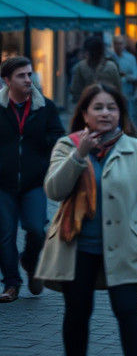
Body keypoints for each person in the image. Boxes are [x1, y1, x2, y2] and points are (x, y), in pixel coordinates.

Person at [35, 83, 137, 356]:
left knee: (129, 311)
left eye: (112, 107)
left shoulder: (134, 148)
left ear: (120, 112)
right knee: (77, 314)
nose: (105, 113)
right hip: (77, 247)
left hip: (125, 246)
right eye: (98, 108)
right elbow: (53, 190)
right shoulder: (67, 145)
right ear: (84, 113)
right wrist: (79, 155)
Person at [0, 56, 64, 302]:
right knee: (5, 234)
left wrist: (41, 148)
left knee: (37, 229)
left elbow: (58, 137)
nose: (28, 80)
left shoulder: (44, 106)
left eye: (29, 74)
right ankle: (11, 284)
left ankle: (30, 261)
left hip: (34, 182)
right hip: (3, 183)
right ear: (7, 81)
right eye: (22, 76)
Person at [70, 36, 121, 103]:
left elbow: (75, 90)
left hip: (88, 104)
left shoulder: (80, 67)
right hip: (107, 103)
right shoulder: (111, 66)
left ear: (87, 52)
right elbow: (118, 88)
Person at [112, 34, 137, 132]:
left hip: (127, 92)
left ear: (124, 45)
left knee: (129, 116)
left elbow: (135, 76)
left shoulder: (130, 58)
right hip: (113, 92)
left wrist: (124, 77)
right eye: (116, 43)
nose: (118, 46)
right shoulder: (109, 58)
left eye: (120, 43)